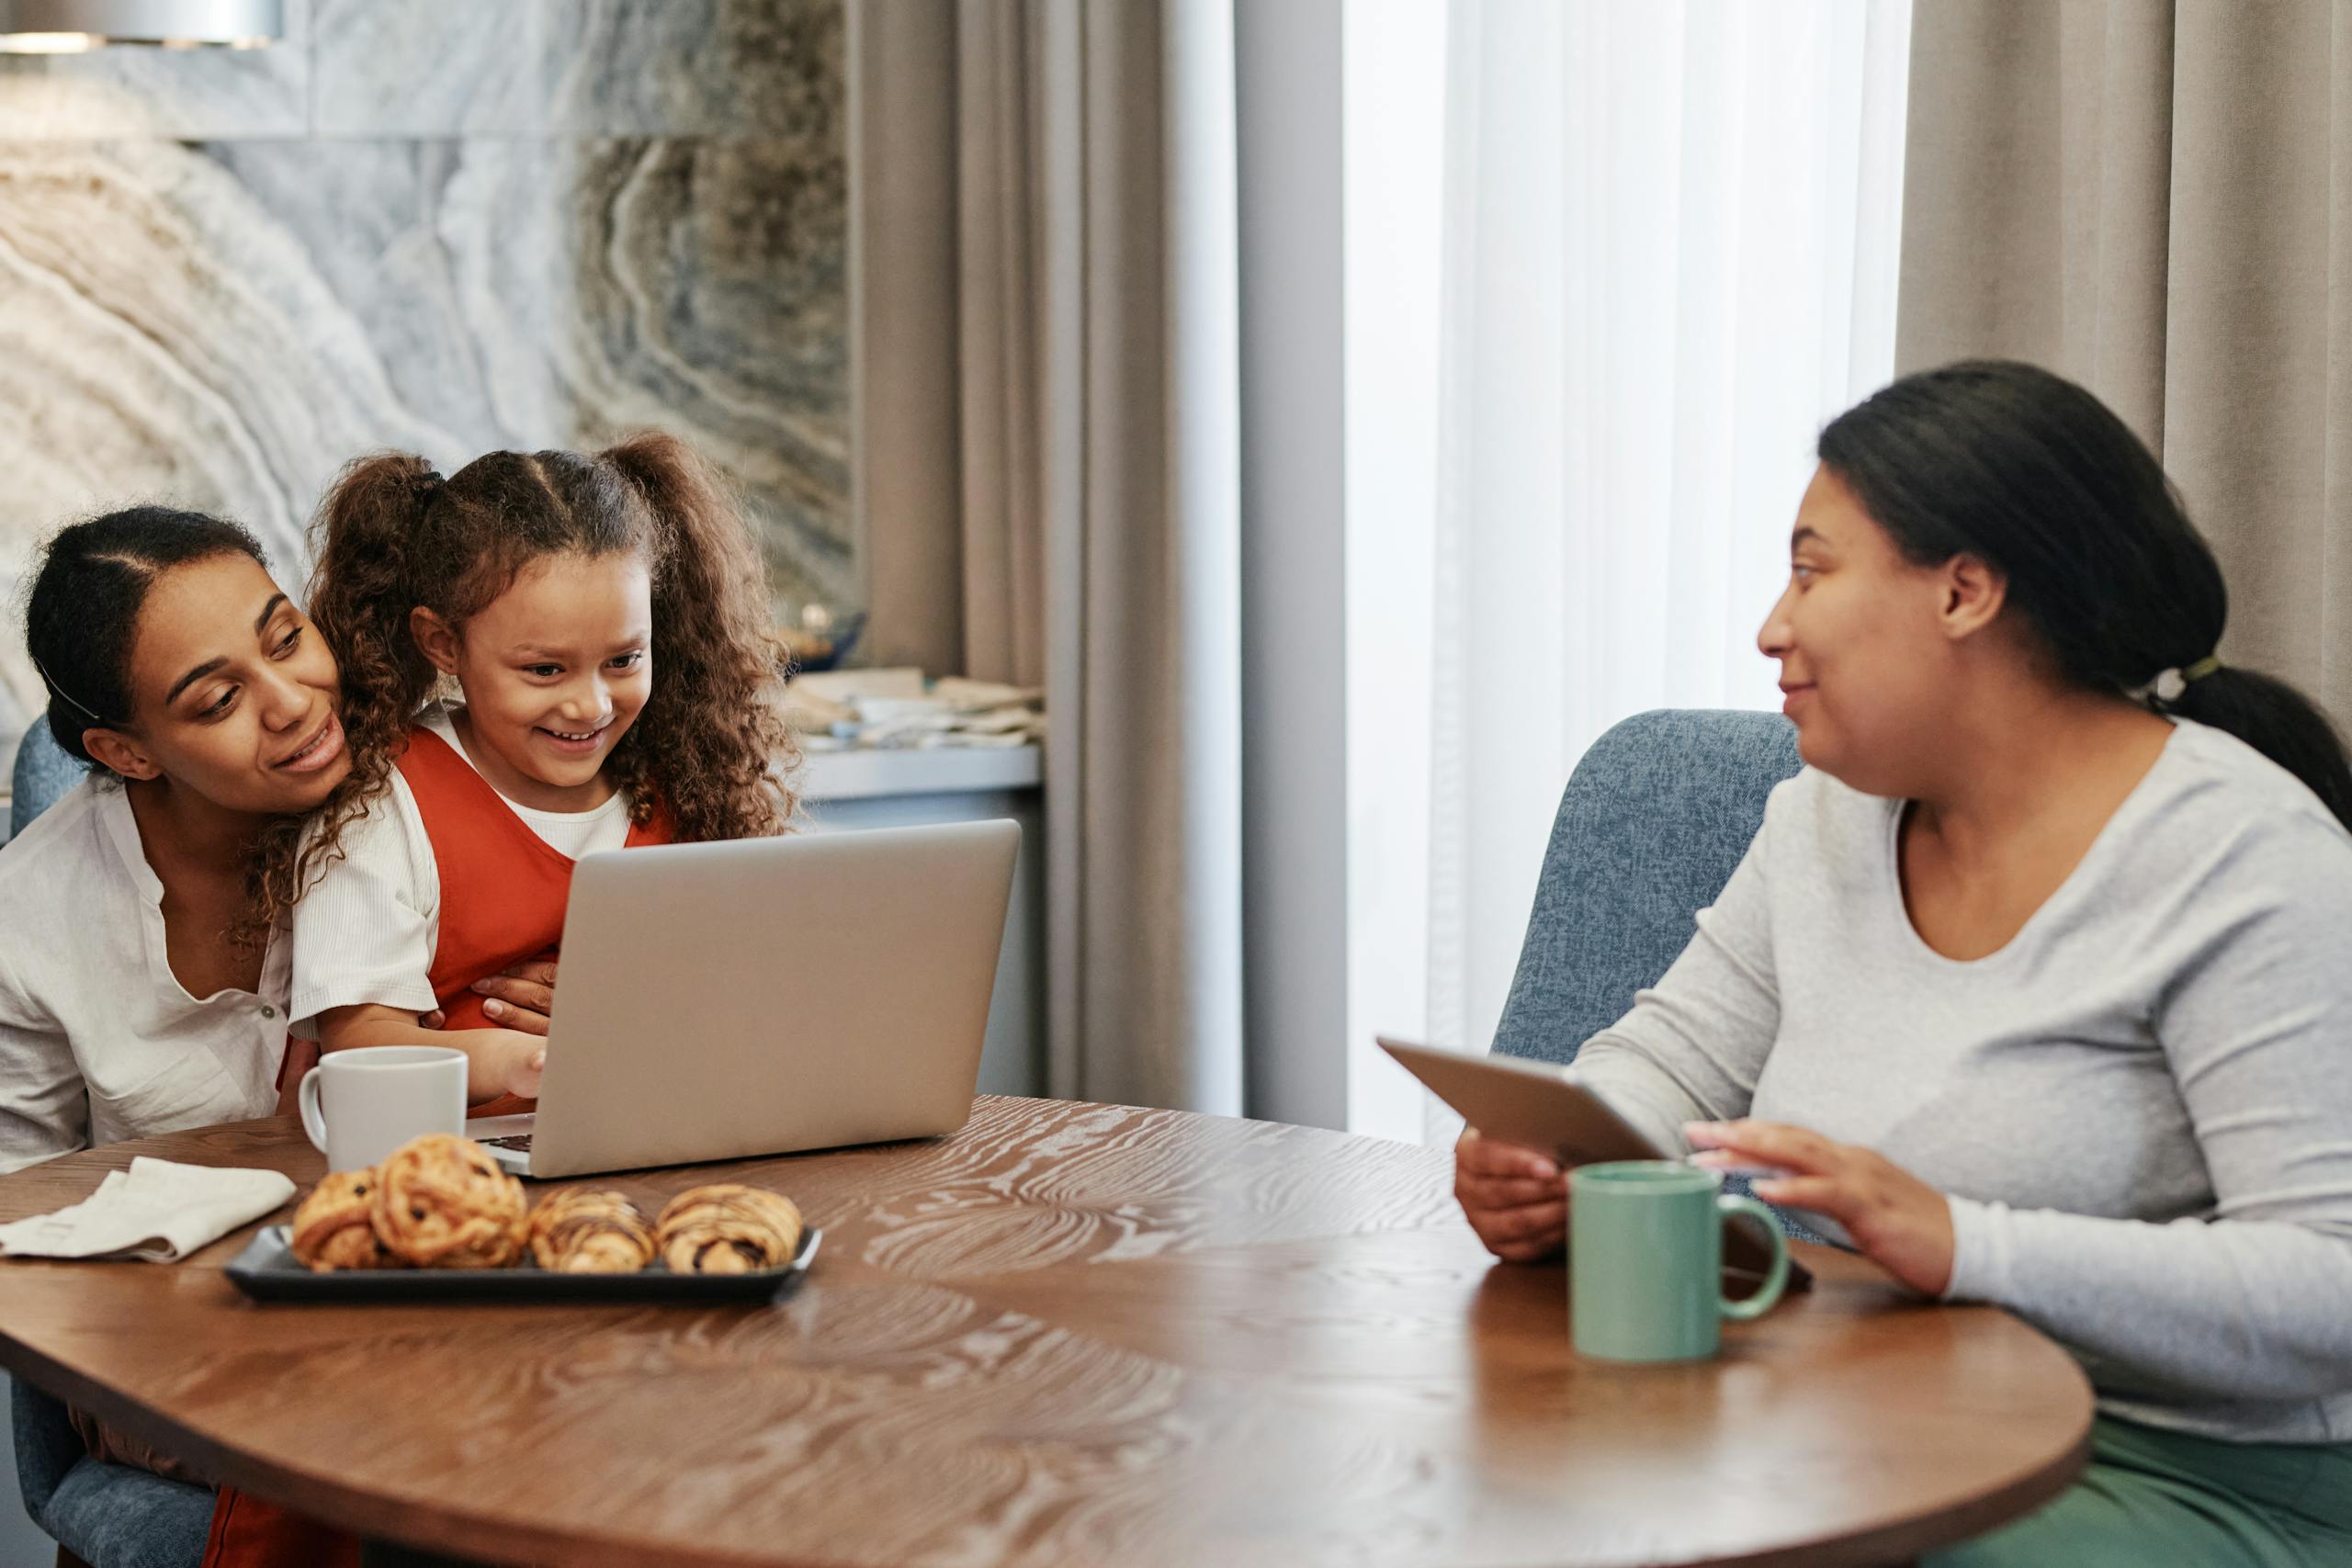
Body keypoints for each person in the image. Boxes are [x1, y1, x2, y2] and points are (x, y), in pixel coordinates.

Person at [1454, 361, 2352, 1565]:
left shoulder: (2242, 853)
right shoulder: (1829, 815)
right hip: (1881, 1400)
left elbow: (2330, 1287)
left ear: (1964, 590)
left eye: (1813, 568)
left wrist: (1961, 1238)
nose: (1774, 624)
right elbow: (1672, 1053)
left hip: (2193, 1466)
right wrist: (1567, 1153)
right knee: (1494, 1475)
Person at [0, 508, 556, 1568]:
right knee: (434, 1442)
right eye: (218, 700)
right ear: (126, 751)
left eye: (286, 635)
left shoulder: (411, 807)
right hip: (169, 1347)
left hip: (439, 1303)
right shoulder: (27, 926)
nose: (293, 702)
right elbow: (17, 1229)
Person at [286, 433, 796, 1111]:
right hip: (464, 1175)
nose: (591, 704)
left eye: (624, 659)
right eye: (544, 669)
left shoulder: (691, 777)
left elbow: (750, 1001)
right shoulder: (382, 803)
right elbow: (363, 1049)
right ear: (442, 643)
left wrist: (627, 1019)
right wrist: (543, 1058)